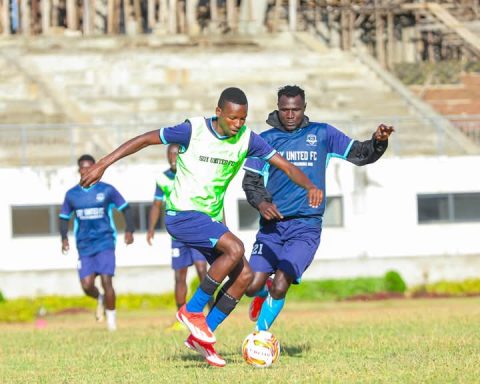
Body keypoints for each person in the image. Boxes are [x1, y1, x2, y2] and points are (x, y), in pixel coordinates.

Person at [79, 87, 323, 367]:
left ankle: (201, 337)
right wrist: (102, 164)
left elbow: (285, 165)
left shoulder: (247, 139)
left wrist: (310, 185)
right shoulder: (192, 130)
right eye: (232, 118)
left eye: (243, 119)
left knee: (244, 276)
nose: (238, 124)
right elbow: (145, 139)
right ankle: (192, 310)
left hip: (210, 218)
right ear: (218, 112)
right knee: (235, 248)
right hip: (182, 214)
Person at [242, 85, 394, 333]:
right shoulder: (265, 140)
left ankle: (260, 337)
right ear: (278, 108)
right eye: (285, 110)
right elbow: (251, 182)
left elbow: (360, 154)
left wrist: (378, 142)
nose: (290, 115)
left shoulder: (323, 134)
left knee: (282, 282)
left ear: (304, 108)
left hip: (306, 226)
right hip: (271, 227)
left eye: (296, 109)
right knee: (250, 286)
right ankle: (263, 292)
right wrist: (261, 203)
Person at [59, 154, 135, 331]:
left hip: (105, 241)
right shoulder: (72, 194)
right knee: (86, 285)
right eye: (82, 168)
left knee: (107, 280)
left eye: (89, 167)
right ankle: (99, 298)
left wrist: (129, 230)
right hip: (84, 245)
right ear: (79, 170)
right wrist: (63, 238)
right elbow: (63, 218)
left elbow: (125, 208)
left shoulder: (107, 190)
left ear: (96, 168)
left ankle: (111, 322)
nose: (86, 170)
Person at [147, 143, 211, 331]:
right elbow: (156, 205)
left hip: (196, 230)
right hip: (177, 233)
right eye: (170, 154)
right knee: (179, 275)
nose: (173, 157)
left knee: (202, 270)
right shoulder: (162, 179)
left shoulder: (192, 175)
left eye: (176, 154)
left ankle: (210, 311)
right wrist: (150, 228)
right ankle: (181, 319)